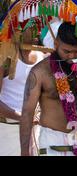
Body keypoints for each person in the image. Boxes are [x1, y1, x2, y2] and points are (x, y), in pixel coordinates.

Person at [20, 22, 77, 156]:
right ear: (56, 44)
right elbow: (27, 113)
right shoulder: (39, 72)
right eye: (66, 51)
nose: (72, 56)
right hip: (52, 145)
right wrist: (24, 151)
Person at [0, 25, 45, 155]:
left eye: (39, 25)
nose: (39, 30)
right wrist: (22, 117)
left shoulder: (42, 56)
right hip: (7, 130)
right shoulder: (6, 56)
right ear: (18, 30)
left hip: (35, 131)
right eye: (32, 25)